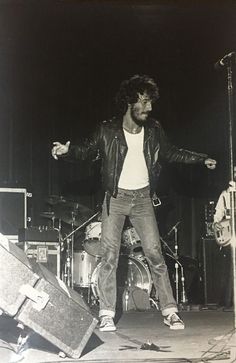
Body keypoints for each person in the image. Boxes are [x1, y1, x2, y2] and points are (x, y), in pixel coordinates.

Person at [51, 74, 217, 332]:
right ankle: (107, 314)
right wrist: (67, 151)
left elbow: (172, 152)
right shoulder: (107, 130)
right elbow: (86, 151)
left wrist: (200, 159)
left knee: (154, 253)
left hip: (142, 199)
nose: (149, 108)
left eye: (151, 102)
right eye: (145, 102)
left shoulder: (154, 130)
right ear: (131, 102)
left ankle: (170, 311)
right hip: (115, 199)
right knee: (109, 256)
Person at [213, 167, 236, 308]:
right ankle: (227, 301)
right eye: (234, 171)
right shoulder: (225, 194)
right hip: (230, 235)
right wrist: (216, 224)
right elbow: (218, 213)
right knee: (228, 268)